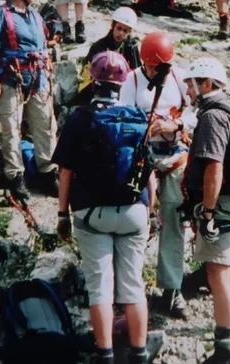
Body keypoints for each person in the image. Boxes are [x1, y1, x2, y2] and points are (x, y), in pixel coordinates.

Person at [53, 51, 154, 364]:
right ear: (123, 82)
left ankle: (106, 355)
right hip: (134, 210)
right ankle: (139, 353)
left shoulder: (80, 118)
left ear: (93, 80)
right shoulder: (138, 117)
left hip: (91, 212)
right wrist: (151, 211)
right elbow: (147, 169)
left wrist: (61, 215)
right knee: (133, 285)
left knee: (100, 288)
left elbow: (65, 172)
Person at [181, 57, 230, 364]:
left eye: (191, 83)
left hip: (221, 206)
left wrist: (208, 212)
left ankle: (225, 350)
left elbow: (214, 167)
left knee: (218, 274)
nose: (187, 89)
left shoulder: (212, 117)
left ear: (207, 84)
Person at [118, 30, 193, 320]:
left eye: (157, 67)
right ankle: (129, 289)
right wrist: (148, 128)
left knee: (174, 221)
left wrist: (175, 126)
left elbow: (195, 108)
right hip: (142, 158)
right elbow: (122, 115)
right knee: (137, 221)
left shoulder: (179, 77)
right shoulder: (131, 80)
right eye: (149, 66)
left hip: (174, 156)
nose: (152, 71)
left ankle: (171, 287)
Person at [0, 0, 59, 200]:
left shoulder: (35, 15)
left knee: (45, 125)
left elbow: (43, 46)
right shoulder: (0, 15)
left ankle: (47, 173)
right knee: (11, 128)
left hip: (38, 77)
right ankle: (15, 176)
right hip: (12, 78)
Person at [86, 6, 142, 71]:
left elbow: (136, 70)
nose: (121, 33)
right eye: (119, 28)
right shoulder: (99, 46)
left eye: (125, 31)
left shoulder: (131, 47)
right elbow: (88, 69)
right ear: (112, 26)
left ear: (129, 32)